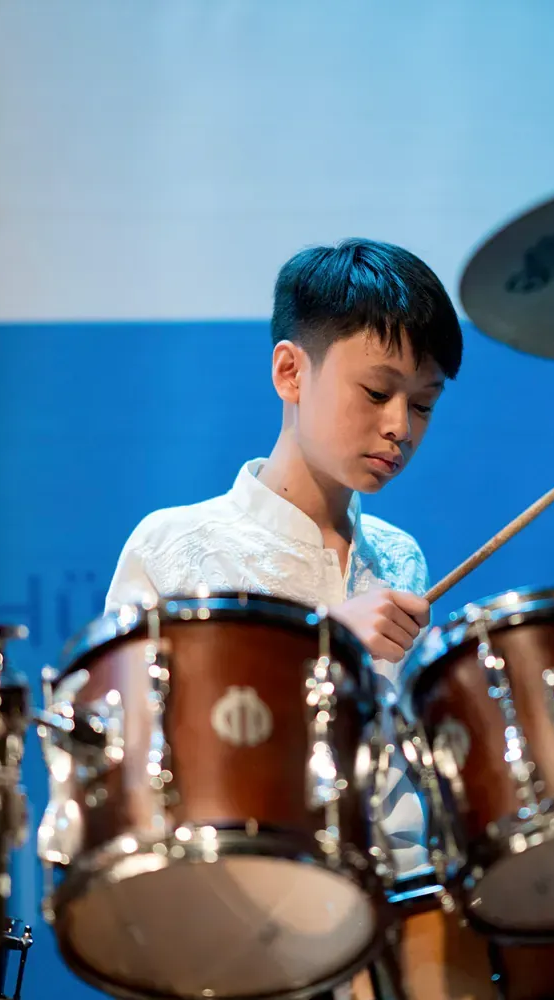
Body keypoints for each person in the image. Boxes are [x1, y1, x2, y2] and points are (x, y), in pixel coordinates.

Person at [105, 237, 462, 933]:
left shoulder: (399, 557)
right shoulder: (175, 548)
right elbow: (130, 763)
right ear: (290, 372)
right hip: (235, 920)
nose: (399, 427)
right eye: (376, 391)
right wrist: (323, 649)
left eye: (422, 405)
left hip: (395, 918)